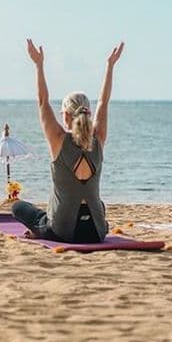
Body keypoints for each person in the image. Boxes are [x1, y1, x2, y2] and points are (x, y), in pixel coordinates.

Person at [11, 39, 124, 243]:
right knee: (99, 204)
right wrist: (110, 66)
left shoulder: (58, 140)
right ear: (87, 114)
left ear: (65, 116)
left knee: (18, 207)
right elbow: (104, 101)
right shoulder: (98, 138)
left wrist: (38, 65)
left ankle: (40, 230)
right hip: (96, 232)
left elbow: (43, 101)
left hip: (63, 231)